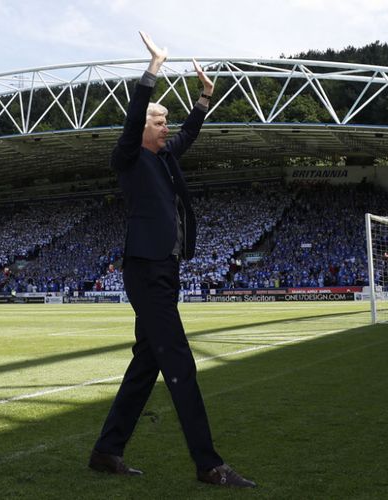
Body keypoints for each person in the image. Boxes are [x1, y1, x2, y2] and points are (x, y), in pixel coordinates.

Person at [88, 32, 255, 489]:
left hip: (166, 268)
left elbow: (190, 133)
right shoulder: (128, 158)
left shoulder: (164, 159)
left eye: (166, 120)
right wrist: (153, 69)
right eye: (159, 120)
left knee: (147, 363)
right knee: (179, 362)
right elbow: (131, 123)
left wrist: (204, 97)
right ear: (141, 127)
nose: (167, 126)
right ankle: (209, 465)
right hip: (145, 269)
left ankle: (106, 451)